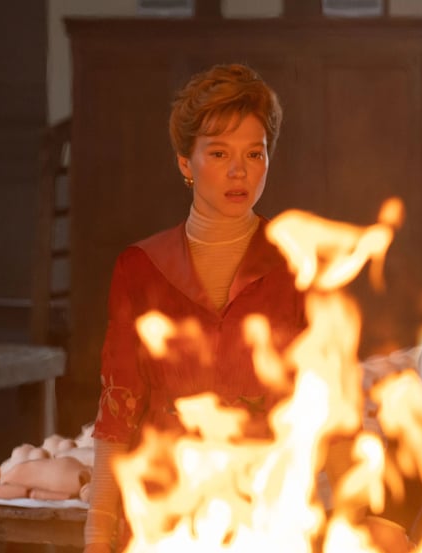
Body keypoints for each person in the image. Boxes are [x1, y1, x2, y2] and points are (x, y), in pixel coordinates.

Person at [82, 63, 305, 552]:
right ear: (185, 162)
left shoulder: (296, 264)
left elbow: (315, 408)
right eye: (219, 153)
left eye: (254, 153)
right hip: (164, 509)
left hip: (267, 508)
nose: (239, 170)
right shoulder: (140, 267)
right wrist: (99, 530)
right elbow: (117, 405)